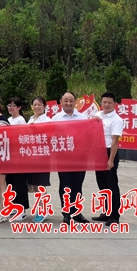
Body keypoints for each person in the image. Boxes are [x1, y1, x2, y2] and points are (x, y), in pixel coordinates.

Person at [52, 91, 90, 224]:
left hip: (80, 157)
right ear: (61, 102)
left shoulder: (83, 118)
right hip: (63, 158)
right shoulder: (55, 119)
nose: (68, 103)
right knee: (65, 185)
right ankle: (66, 212)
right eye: (66, 100)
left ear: (75, 102)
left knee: (77, 185)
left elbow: (88, 136)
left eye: (71, 100)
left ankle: (77, 212)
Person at [91, 92, 123, 227]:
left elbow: (115, 142)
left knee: (111, 184)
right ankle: (106, 212)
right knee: (102, 184)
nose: (106, 104)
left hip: (110, 152)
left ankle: (114, 216)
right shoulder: (98, 115)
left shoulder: (117, 120)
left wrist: (111, 160)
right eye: (104, 102)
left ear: (114, 104)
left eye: (109, 102)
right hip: (98, 152)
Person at [26, 96, 52, 223]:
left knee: (41, 184)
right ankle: (40, 208)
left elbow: (49, 137)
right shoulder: (31, 119)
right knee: (35, 185)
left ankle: (43, 211)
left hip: (42, 157)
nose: (37, 107)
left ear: (44, 106)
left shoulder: (48, 120)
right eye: (35, 104)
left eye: (39, 104)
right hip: (30, 157)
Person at [4, 96, 30, 222]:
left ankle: (22, 209)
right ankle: (14, 206)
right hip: (9, 156)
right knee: (11, 183)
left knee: (19, 183)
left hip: (19, 157)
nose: (11, 108)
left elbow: (22, 137)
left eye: (13, 105)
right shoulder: (8, 120)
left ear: (19, 107)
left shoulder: (21, 120)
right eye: (9, 105)